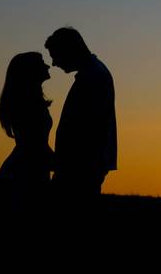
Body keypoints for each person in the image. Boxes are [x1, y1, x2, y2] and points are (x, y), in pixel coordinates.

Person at [45, 27, 117, 211]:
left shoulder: (94, 77)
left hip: (80, 169)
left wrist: (68, 165)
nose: (53, 63)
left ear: (68, 50)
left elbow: (88, 129)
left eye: (55, 55)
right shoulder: (92, 74)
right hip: (80, 166)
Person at [0, 51, 55, 214]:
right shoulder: (28, 105)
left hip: (29, 169)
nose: (47, 65)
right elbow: (34, 147)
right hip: (25, 175)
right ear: (30, 71)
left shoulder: (31, 102)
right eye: (41, 62)